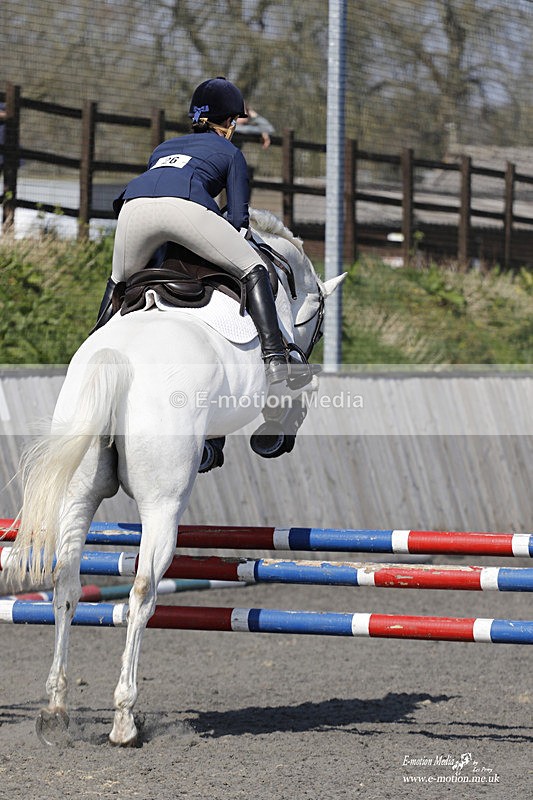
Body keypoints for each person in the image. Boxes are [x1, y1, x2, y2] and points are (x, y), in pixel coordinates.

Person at [96, 76, 292, 385]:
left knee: (119, 282)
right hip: (183, 208)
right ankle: (275, 357)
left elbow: (156, 199)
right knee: (253, 266)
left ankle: (92, 347)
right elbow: (238, 219)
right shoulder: (231, 153)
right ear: (229, 121)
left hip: (132, 209)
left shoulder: (162, 147)